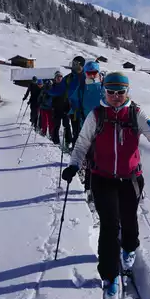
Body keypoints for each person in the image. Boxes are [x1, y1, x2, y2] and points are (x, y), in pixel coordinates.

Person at [61, 71, 150, 299]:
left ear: (127, 92)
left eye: (120, 92)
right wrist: (73, 165)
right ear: (104, 92)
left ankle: (129, 250)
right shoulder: (96, 115)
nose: (116, 97)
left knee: (129, 220)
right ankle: (109, 276)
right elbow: (81, 144)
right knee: (109, 226)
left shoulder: (135, 113)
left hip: (131, 178)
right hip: (101, 177)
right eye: (111, 92)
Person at [69, 60, 105, 197]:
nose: (91, 76)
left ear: (98, 72)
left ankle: (100, 186)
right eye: (88, 73)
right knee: (91, 157)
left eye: (93, 73)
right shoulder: (82, 87)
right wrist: (70, 109)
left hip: (105, 126)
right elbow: (74, 101)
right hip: (87, 125)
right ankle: (89, 187)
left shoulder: (104, 85)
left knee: (102, 157)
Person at [63, 56, 86, 144]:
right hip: (74, 111)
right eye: (73, 63)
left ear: (81, 65)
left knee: (85, 134)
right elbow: (64, 92)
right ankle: (75, 150)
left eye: (75, 63)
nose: (73, 65)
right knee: (76, 132)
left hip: (86, 111)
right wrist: (65, 104)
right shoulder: (69, 78)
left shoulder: (87, 77)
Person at [49, 70, 71, 146]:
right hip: (56, 110)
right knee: (56, 126)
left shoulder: (65, 85)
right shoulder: (52, 86)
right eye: (57, 77)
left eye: (60, 76)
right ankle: (55, 141)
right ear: (55, 78)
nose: (59, 78)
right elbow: (50, 95)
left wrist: (69, 108)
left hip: (65, 109)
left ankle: (68, 141)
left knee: (66, 125)